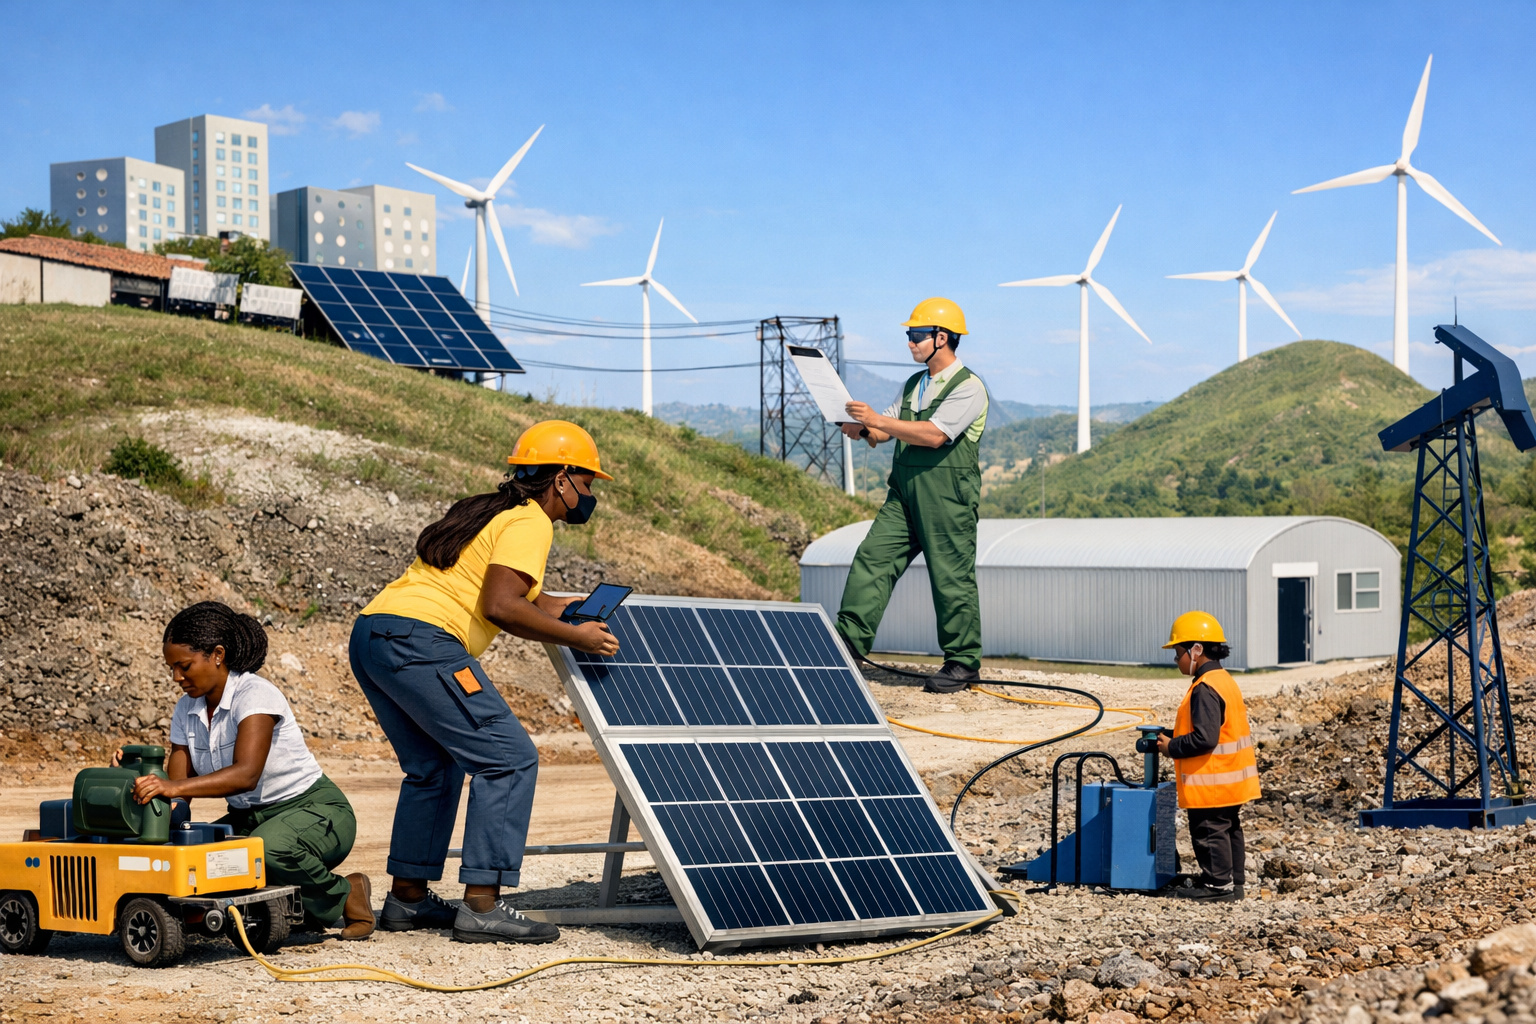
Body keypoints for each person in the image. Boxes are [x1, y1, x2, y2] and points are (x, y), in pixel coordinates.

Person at [350, 420, 621, 945]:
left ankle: (407, 900)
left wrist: (569, 612)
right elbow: (502, 607)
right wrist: (578, 638)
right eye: (587, 483)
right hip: (422, 642)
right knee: (508, 756)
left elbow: (514, 595)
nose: (587, 496)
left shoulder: (494, 511)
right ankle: (483, 905)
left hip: (375, 633)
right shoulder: (531, 521)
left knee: (433, 766)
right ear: (561, 477)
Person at [123, 601, 374, 940]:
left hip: (315, 811)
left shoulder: (255, 696)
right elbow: (176, 791)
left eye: (183, 666)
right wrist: (135, 773)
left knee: (264, 849)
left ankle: (346, 895)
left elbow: (245, 775)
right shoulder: (187, 708)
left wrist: (172, 789)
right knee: (198, 854)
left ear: (217, 654)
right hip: (251, 817)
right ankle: (291, 905)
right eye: (171, 668)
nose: (176, 678)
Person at [837, 297, 990, 694]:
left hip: (947, 499)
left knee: (951, 578)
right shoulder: (914, 384)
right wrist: (865, 429)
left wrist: (878, 420)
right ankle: (846, 646)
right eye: (909, 334)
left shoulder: (969, 387)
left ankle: (962, 662)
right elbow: (889, 429)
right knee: (872, 559)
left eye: (916, 334)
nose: (910, 342)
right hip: (904, 494)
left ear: (942, 338)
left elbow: (934, 435)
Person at [1155, 611, 1261, 902]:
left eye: (1178, 653)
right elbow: (1211, 728)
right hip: (1230, 779)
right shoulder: (1223, 680)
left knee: (1209, 831)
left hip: (1211, 780)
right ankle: (1233, 883)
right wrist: (1173, 734)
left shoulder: (1205, 688)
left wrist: (1170, 748)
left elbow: (1205, 738)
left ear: (1196, 650)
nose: (1177, 660)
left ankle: (1217, 886)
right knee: (1229, 829)